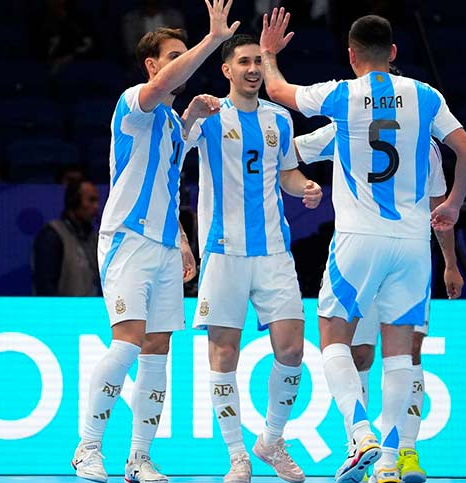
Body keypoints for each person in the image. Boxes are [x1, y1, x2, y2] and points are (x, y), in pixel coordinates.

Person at [260, 10, 466, 483]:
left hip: (359, 238)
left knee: (333, 335)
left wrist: (271, 55)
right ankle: (387, 461)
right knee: (401, 353)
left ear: (352, 55)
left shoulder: (343, 94)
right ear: (394, 53)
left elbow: (277, 93)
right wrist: (456, 204)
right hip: (413, 244)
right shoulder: (426, 96)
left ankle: (360, 433)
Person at [71, 2, 240, 482]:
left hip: (165, 247)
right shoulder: (133, 103)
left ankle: (139, 458)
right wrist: (211, 42)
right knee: (126, 343)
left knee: (157, 350)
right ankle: (86, 448)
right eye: (173, 55)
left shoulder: (167, 123)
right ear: (152, 65)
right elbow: (162, 88)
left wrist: (182, 242)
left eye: (184, 54)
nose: (180, 63)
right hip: (127, 240)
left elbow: (168, 180)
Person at [183, 33, 323, 483]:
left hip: (273, 251)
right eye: (243, 61)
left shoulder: (280, 119)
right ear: (227, 70)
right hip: (223, 252)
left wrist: (306, 187)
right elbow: (170, 152)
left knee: (292, 347)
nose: (253, 69)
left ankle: (271, 441)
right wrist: (188, 115)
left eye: (258, 62)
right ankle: (237, 456)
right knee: (223, 353)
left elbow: (286, 173)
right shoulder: (209, 115)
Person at [294, 122, 464, 483]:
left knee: (404, 351)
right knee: (364, 353)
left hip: (381, 257)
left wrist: (450, 262)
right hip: (388, 256)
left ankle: (400, 452)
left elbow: (439, 209)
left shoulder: (426, 146)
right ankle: (367, 450)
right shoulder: (350, 122)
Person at [32, 178, 101, 296]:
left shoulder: (93, 238)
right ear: (73, 201)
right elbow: (45, 285)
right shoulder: (53, 235)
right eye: (91, 200)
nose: (96, 206)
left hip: (90, 311)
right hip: (62, 312)